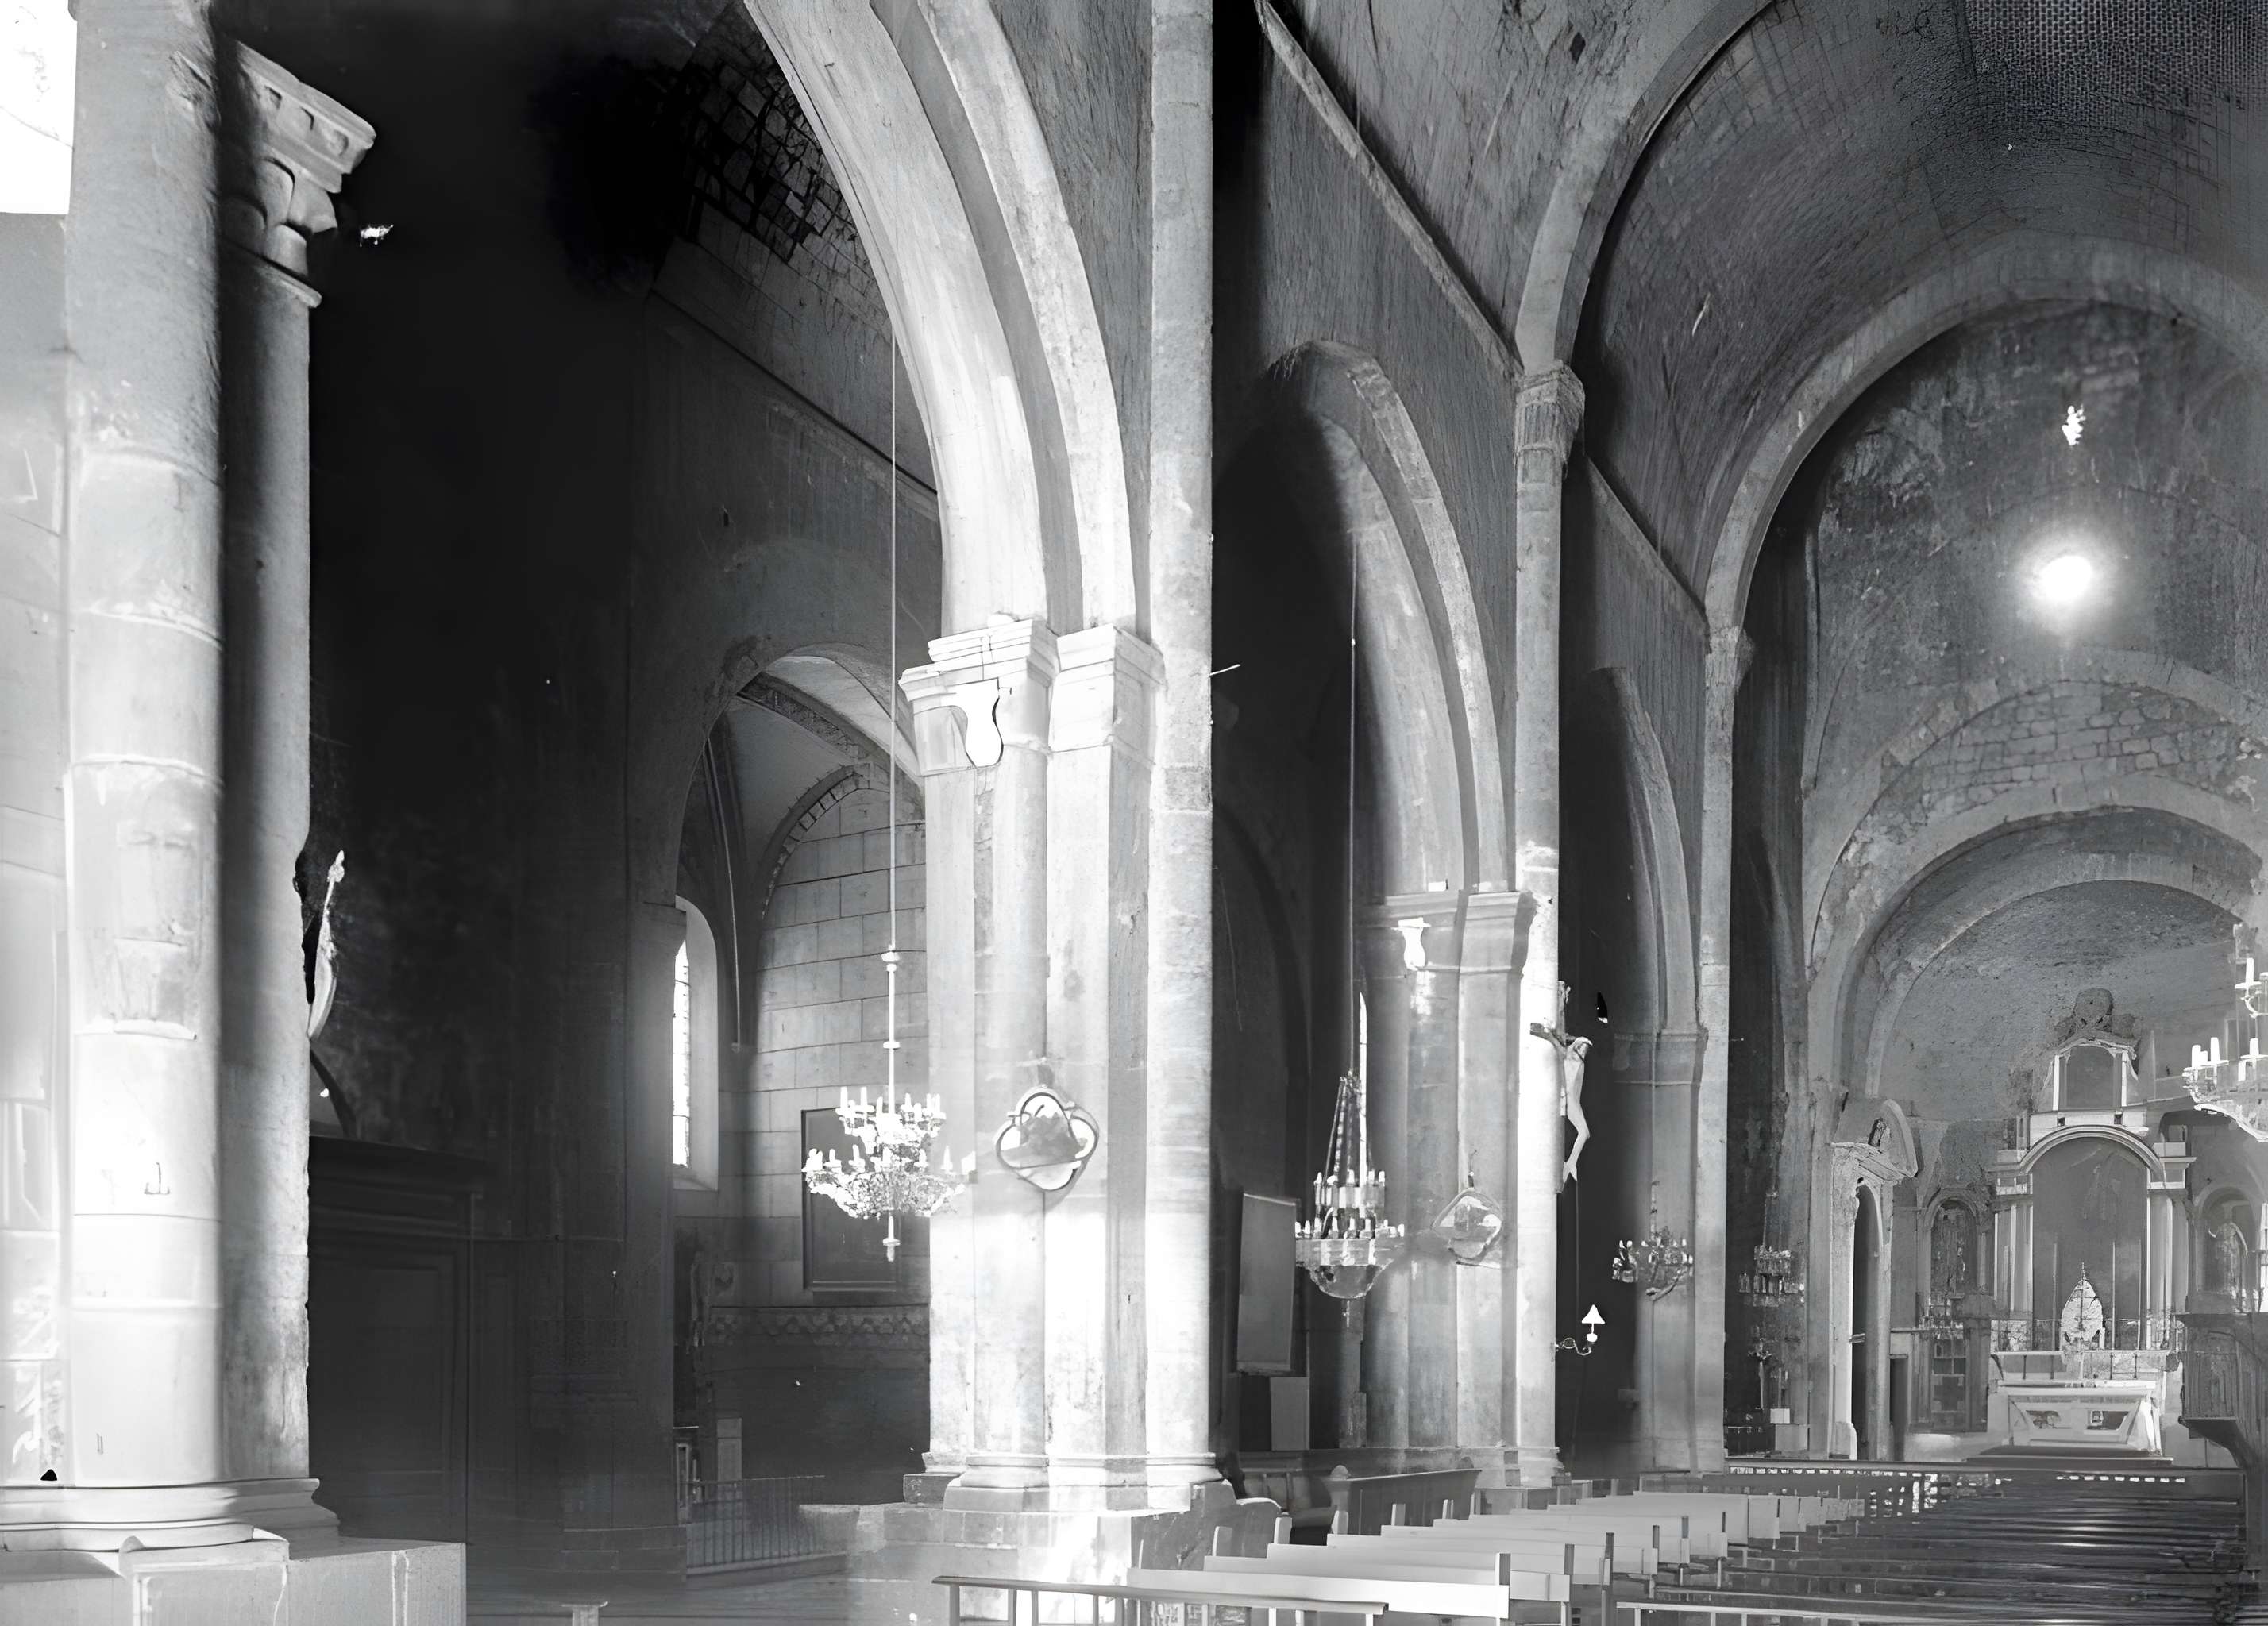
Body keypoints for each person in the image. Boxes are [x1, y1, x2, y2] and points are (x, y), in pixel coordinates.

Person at [1529, 981, 1592, 1188]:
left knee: (1584, 1131)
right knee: (1580, 1131)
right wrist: (1559, 1002)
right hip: (1565, 1100)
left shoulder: (1577, 1061)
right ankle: (1566, 1165)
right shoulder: (1567, 1056)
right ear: (1576, 1046)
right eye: (1582, 1047)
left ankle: (1570, 1163)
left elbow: (1559, 1036)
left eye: (1586, 1050)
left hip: (1573, 1102)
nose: (1584, 1051)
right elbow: (1557, 1036)